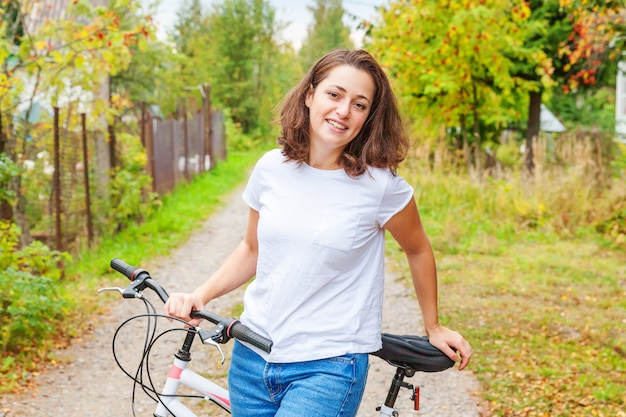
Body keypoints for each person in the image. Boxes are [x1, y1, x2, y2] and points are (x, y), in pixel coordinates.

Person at [165, 48, 472, 417]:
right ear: (310, 95)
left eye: (359, 104)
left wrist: (433, 326)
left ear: (368, 117)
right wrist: (200, 295)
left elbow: (419, 248)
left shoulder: (380, 186)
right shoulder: (270, 168)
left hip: (329, 366)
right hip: (252, 356)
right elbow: (252, 249)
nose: (344, 110)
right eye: (334, 94)